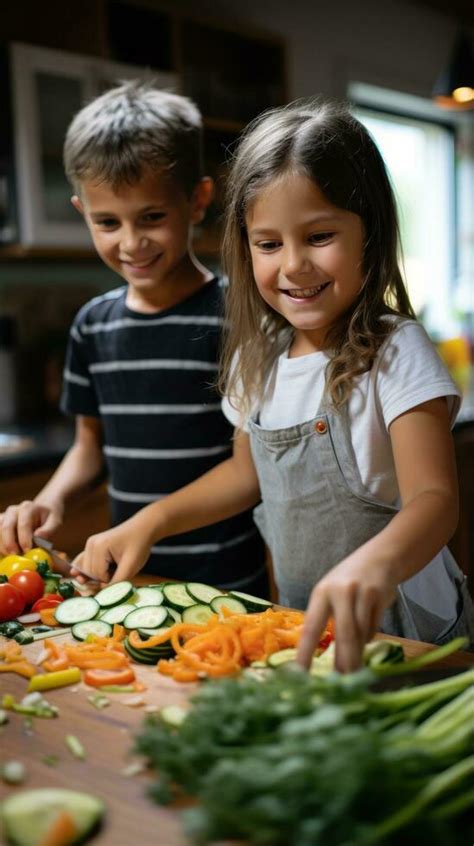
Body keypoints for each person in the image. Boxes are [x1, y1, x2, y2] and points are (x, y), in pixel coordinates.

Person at [68, 97, 474, 671]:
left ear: (370, 233)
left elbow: (436, 501)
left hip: (413, 630)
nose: (293, 266)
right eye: (268, 243)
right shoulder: (258, 356)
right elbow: (244, 473)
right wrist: (150, 521)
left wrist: (374, 564)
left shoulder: (395, 349)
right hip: (306, 621)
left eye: (319, 236)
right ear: (245, 244)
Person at [0, 80, 268, 596]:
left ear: (197, 200)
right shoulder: (92, 325)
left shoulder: (240, 315)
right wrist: (50, 502)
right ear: (83, 213)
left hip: (227, 585)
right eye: (107, 222)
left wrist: (147, 524)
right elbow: (89, 447)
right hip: (128, 584)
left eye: (151, 217)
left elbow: (248, 470)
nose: (131, 242)